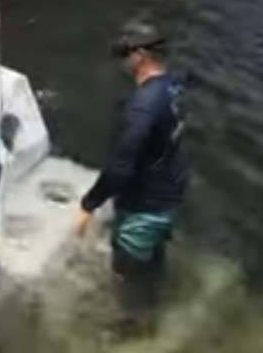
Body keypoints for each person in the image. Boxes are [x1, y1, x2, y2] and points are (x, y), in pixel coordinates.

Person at [75, 20, 188, 323]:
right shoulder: (173, 86)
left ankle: (134, 328)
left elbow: (121, 166)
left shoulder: (142, 107)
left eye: (125, 54)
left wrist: (89, 204)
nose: (123, 62)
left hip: (144, 206)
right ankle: (156, 304)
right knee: (152, 262)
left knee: (127, 274)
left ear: (140, 55)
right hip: (169, 194)